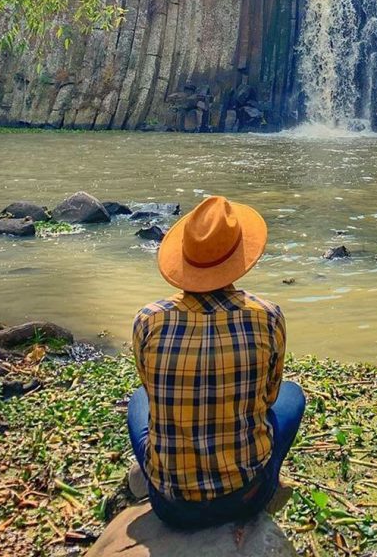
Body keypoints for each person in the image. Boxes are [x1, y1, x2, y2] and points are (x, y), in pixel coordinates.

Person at [128, 195, 305, 529]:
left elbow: (151, 391)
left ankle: (156, 474)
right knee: (293, 395)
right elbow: (269, 397)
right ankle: (265, 477)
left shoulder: (148, 320)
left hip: (170, 505)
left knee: (138, 399)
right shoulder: (266, 316)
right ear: (239, 256)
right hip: (246, 496)